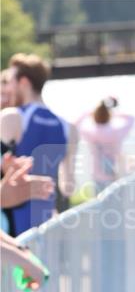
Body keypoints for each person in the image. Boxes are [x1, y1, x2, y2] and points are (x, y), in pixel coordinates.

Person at [0, 54, 78, 236]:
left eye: (10, 82)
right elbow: (68, 187)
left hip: (12, 228)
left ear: (24, 82)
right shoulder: (68, 127)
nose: (7, 89)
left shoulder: (11, 117)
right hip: (48, 224)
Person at [75, 97, 135, 195]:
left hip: (97, 175)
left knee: (100, 205)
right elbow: (131, 118)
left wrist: (89, 113)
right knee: (117, 205)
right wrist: (113, 111)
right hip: (116, 174)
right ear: (109, 115)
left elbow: (75, 124)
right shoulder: (116, 131)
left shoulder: (90, 132)